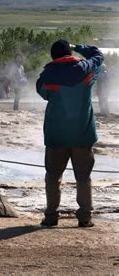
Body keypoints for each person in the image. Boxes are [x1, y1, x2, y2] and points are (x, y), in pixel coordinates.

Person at [36, 39, 103, 228]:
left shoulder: (47, 74)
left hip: (56, 135)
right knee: (83, 177)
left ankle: (51, 217)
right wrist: (78, 47)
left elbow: (42, 92)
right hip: (82, 134)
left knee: (52, 176)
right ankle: (84, 217)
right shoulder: (86, 69)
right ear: (70, 53)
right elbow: (98, 55)